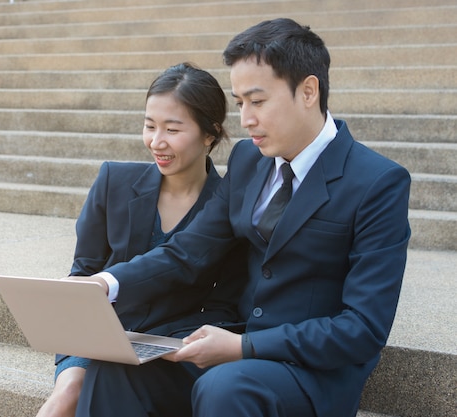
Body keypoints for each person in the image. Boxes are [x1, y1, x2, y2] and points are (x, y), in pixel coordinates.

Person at [71, 18, 411, 417]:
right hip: (235, 341)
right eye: (239, 103)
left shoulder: (377, 182)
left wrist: (243, 348)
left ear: (308, 91)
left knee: (224, 387)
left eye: (258, 101)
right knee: (117, 368)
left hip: (310, 371)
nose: (245, 119)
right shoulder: (250, 159)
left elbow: (363, 328)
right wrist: (104, 283)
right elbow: (188, 251)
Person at [36, 62, 249, 417]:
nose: (156, 141)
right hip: (99, 333)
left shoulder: (229, 207)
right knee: (69, 392)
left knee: (103, 384)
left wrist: (164, 344)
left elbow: (225, 304)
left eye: (172, 129)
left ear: (210, 134)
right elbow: (85, 268)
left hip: (168, 347)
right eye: (149, 126)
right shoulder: (113, 181)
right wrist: (72, 293)